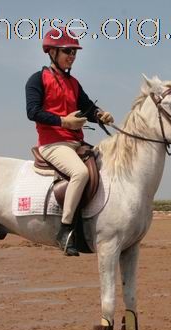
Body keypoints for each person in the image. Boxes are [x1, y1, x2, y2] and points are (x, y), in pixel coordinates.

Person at [25, 28, 114, 256]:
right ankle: (65, 231)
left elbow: (87, 108)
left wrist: (100, 114)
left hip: (76, 143)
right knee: (80, 174)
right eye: (67, 51)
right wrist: (63, 122)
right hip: (52, 144)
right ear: (52, 52)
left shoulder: (73, 83)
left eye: (74, 52)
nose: (72, 56)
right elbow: (32, 111)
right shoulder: (37, 79)